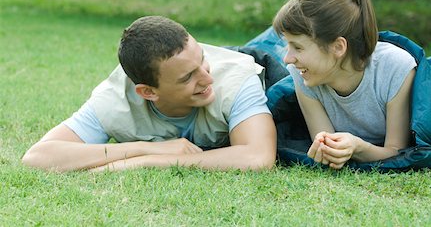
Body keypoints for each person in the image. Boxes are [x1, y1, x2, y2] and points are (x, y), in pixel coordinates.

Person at [22, 16, 277, 172]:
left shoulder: (236, 79)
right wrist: (144, 148)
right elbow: (38, 157)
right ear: (148, 92)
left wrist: (147, 161)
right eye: (188, 77)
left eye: (202, 60)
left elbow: (258, 157)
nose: (207, 78)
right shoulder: (115, 99)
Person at [272, 0, 417, 169]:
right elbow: (327, 145)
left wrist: (357, 147)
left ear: (338, 47)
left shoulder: (395, 69)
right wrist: (330, 150)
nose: (287, 59)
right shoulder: (303, 75)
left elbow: (397, 153)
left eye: (297, 47)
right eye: (288, 45)